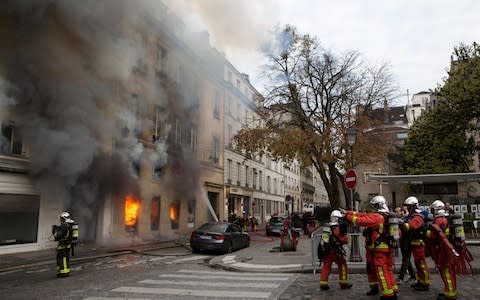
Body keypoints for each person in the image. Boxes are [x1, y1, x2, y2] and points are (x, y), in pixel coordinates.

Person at [340, 195, 398, 300]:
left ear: (378, 205)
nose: (373, 208)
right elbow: (363, 215)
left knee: (381, 271)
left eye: (374, 206)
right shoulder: (386, 215)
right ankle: (390, 289)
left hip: (379, 249)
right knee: (383, 270)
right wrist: (347, 212)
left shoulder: (377, 217)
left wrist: (347, 217)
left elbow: (362, 221)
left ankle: (388, 295)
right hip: (380, 248)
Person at [426, 200, 457, 300]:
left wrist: (426, 233)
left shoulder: (439, 220)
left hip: (444, 250)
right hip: (448, 247)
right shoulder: (446, 217)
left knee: (446, 272)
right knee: (450, 271)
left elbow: (434, 236)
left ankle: (450, 294)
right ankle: (450, 291)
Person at [318, 210, 352, 291]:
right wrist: (346, 239)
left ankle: (323, 284)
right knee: (343, 265)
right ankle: (343, 283)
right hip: (336, 251)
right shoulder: (338, 228)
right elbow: (343, 239)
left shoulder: (327, 227)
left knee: (326, 267)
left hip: (327, 251)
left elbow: (324, 240)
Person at [402, 196, 431, 291]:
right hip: (414, 243)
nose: (407, 208)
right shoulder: (413, 216)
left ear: (413, 206)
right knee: (418, 264)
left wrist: (401, 224)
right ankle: (420, 280)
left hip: (419, 243)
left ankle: (425, 282)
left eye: (409, 206)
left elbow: (412, 225)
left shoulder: (418, 217)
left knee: (421, 264)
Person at [395, 206, 416, 285]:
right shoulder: (398, 220)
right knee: (407, 260)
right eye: (396, 212)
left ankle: (401, 277)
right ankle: (413, 276)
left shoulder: (406, 219)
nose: (397, 213)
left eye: (399, 212)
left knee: (405, 260)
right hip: (403, 242)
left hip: (408, 242)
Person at [52, 211, 75, 278]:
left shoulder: (64, 225)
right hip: (67, 244)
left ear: (64, 218)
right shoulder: (70, 224)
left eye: (61, 218)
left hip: (63, 245)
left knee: (62, 259)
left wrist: (54, 230)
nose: (60, 220)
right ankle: (63, 271)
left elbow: (58, 235)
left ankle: (64, 273)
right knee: (65, 258)